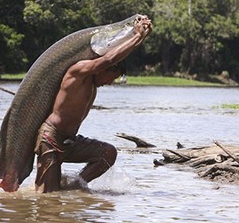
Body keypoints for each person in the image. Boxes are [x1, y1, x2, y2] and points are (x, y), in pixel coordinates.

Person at [34, 16, 152, 193]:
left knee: (108, 153)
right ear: (103, 69)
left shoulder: (92, 86)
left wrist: (140, 35)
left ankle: (74, 186)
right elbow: (107, 59)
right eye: (111, 77)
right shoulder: (78, 72)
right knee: (47, 197)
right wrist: (136, 36)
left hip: (70, 141)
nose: (110, 83)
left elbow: (110, 60)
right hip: (51, 138)